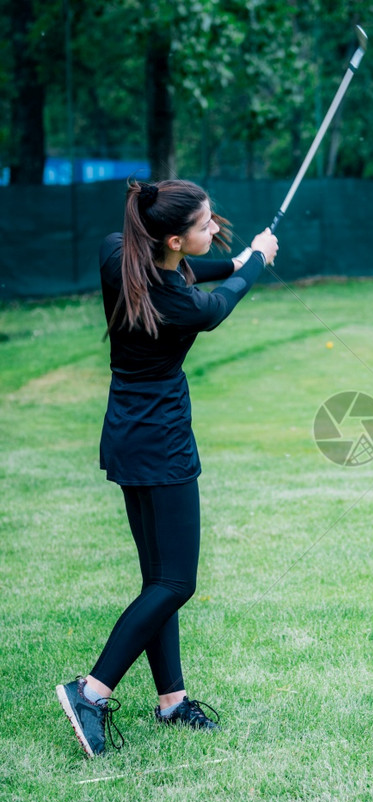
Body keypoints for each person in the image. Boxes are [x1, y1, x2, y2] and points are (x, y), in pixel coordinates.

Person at [57, 179, 279, 757]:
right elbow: (218, 301)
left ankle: (172, 701)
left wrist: (243, 254)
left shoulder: (118, 253)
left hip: (129, 434)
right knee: (178, 581)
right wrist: (255, 262)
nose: (215, 228)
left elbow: (194, 271)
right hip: (160, 442)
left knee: (158, 579)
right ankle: (92, 690)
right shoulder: (179, 302)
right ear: (175, 239)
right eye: (206, 225)